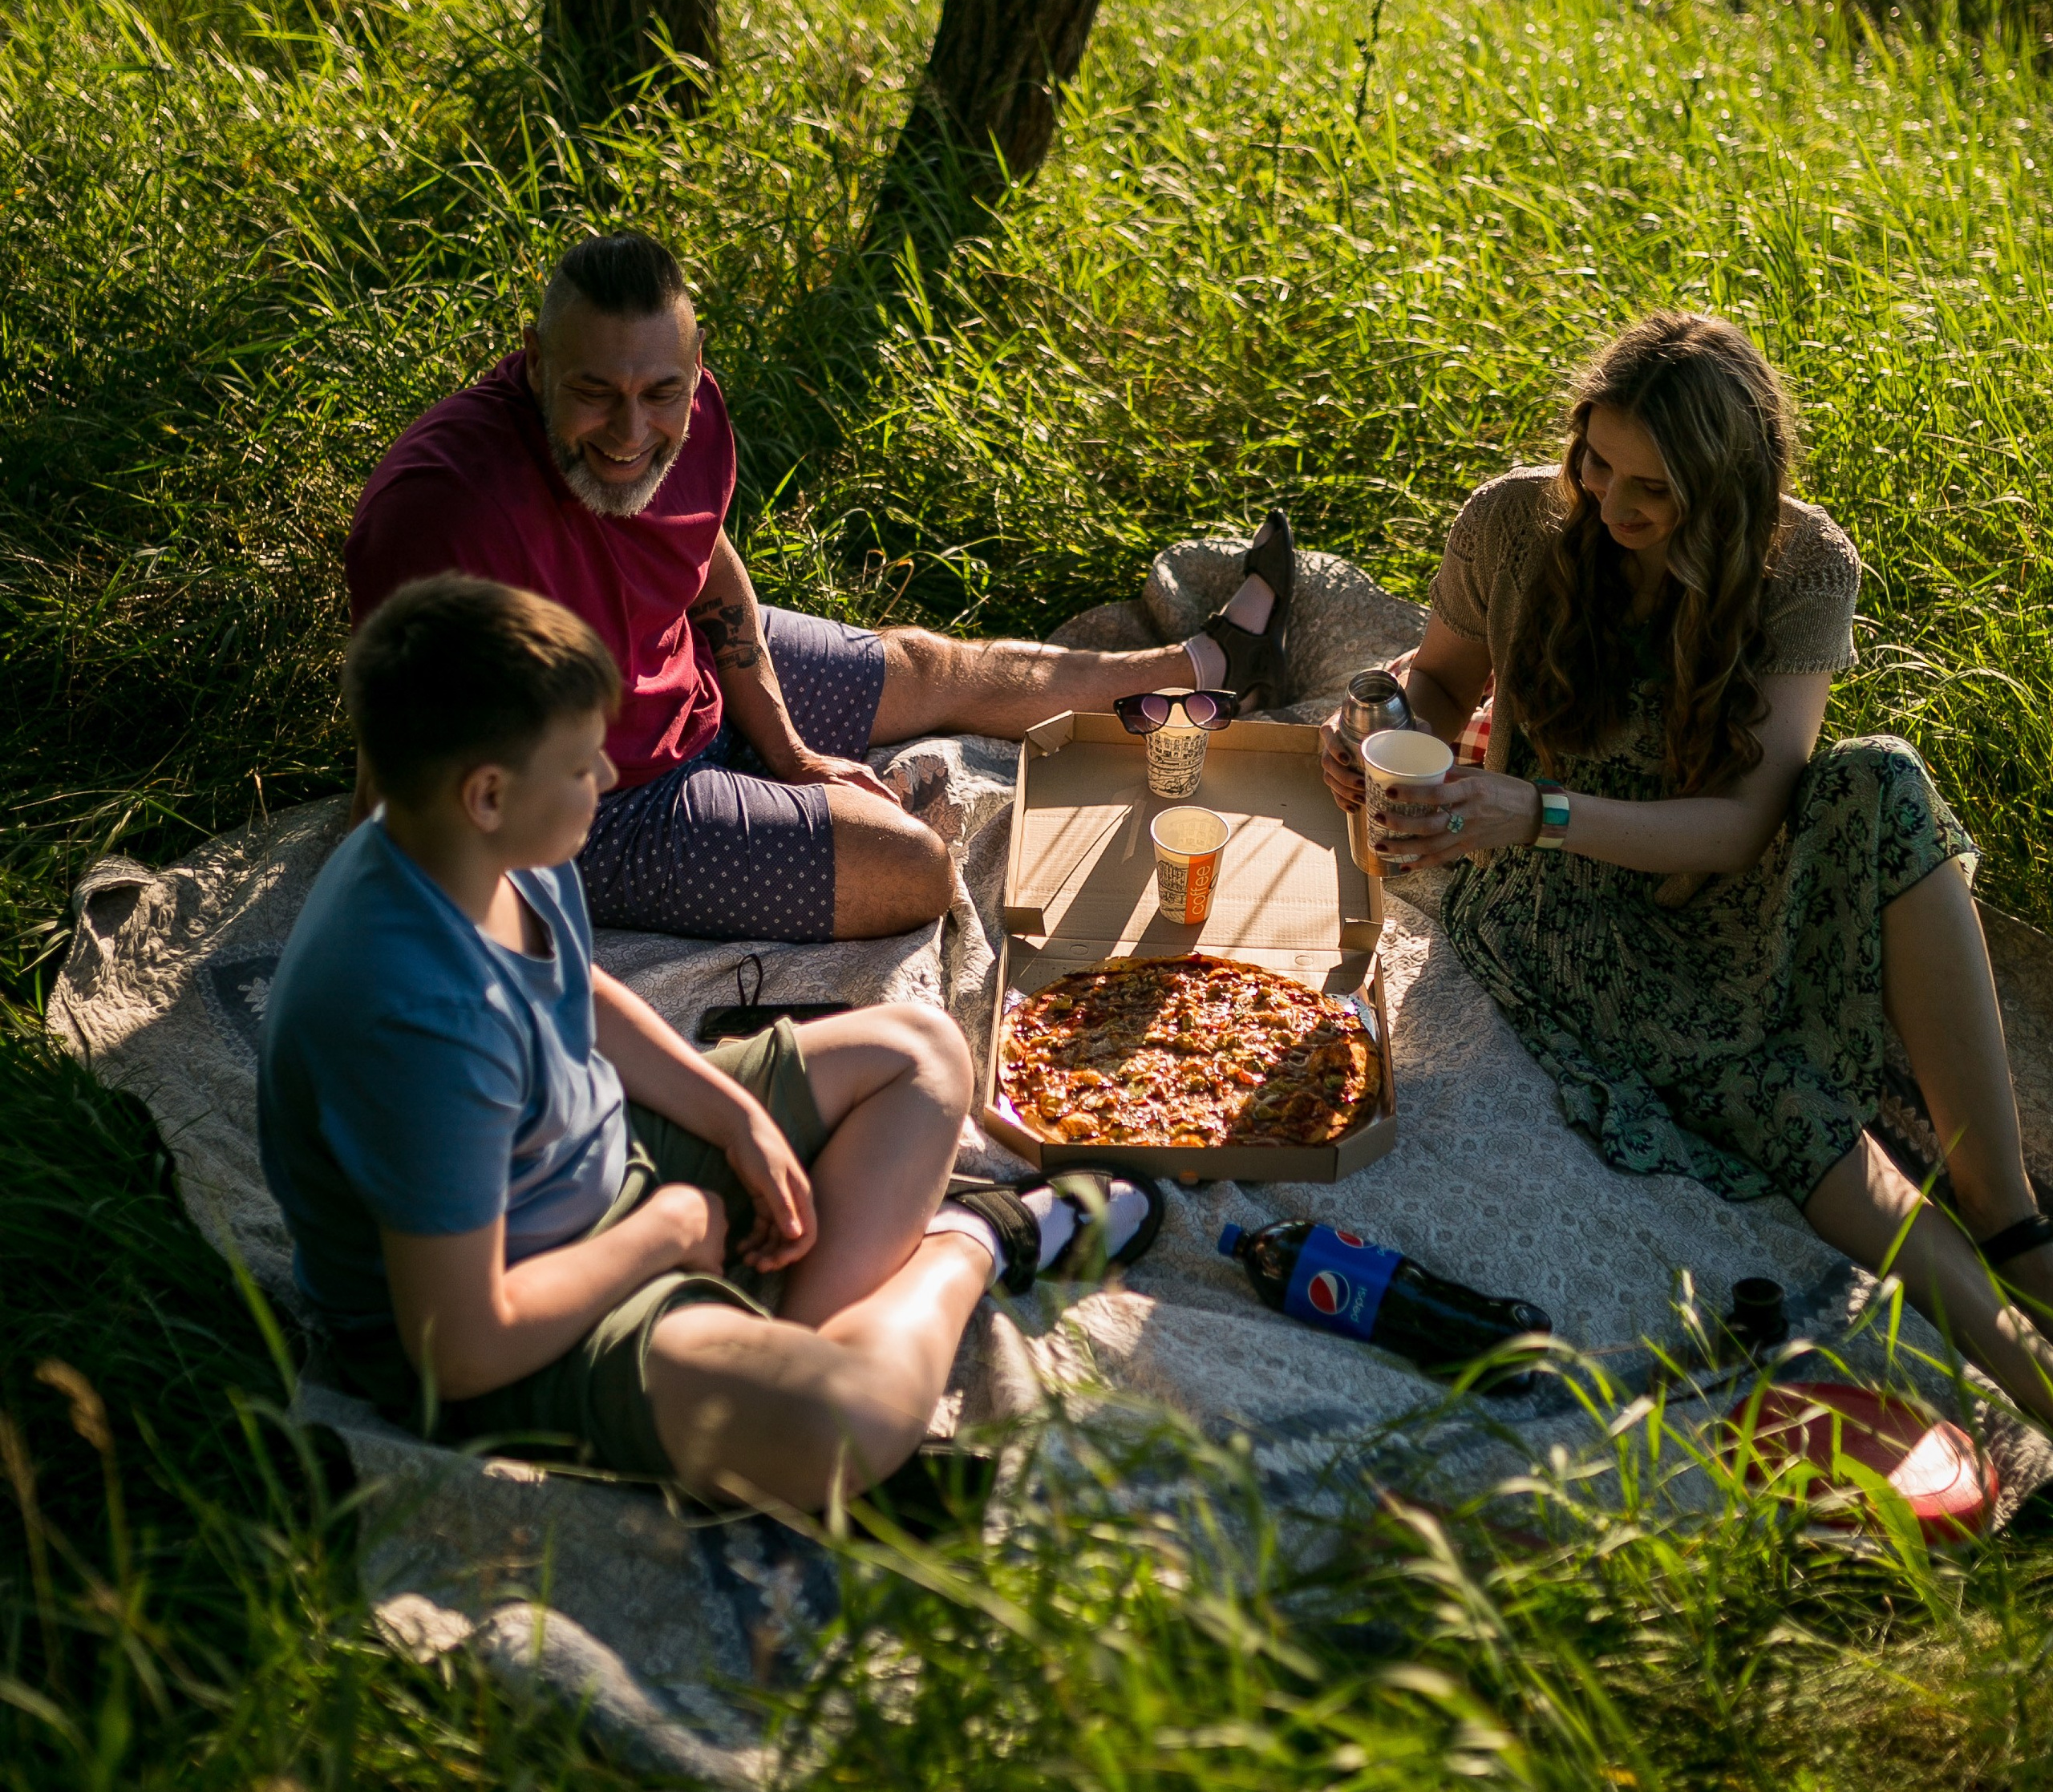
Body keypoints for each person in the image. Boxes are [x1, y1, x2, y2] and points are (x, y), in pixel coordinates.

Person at [260, 574, 1160, 1512]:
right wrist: (669, 1232)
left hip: (598, 1166)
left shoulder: (457, 836)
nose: (607, 781)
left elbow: (577, 992)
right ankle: (968, 1245)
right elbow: (466, 1345)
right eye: (581, 767)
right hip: (520, 1314)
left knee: (924, 1051)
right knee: (841, 1426)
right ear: (487, 793)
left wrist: (730, 1115)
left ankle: (788, 1365)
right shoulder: (418, 1024)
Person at [1321, 310, 2053, 1428]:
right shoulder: (1516, 524)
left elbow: (1748, 822)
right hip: (1557, 914)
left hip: (1708, 878)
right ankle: (2035, 1383)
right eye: (1596, 463)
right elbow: (1438, 685)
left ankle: (2008, 1219)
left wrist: (1536, 808)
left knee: (1886, 780)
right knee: (1794, 1109)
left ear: (1729, 487)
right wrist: (1375, 715)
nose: (1611, 505)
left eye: (1651, 490)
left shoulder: (1805, 565)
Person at [345, 230, 1294, 944]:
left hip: (689, 675)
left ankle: (1204, 667)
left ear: (694, 364)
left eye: (658, 393)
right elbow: (400, 760)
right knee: (917, 870)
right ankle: (795, 809)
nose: (631, 434)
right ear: (533, 359)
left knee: (928, 660)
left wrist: (787, 748)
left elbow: (701, 561)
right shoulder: (443, 511)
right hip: (601, 803)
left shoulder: (694, 411)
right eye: (594, 393)